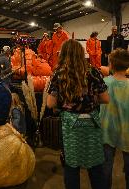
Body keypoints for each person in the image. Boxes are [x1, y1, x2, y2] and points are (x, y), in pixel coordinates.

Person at [46, 39, 109, 189]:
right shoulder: (94, 71)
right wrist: (90, 102)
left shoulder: (59, 74)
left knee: (71, 166)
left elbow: (50, 103)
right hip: (91, 123)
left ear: (63, 55)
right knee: (95, 165)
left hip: (70, 125)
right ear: (81, 54)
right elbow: (105, 98)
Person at [100, 49, 129, 189]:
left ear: (110, 64)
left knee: (105, 168)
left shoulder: (104, 83)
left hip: (107, 130)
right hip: (127, 131)